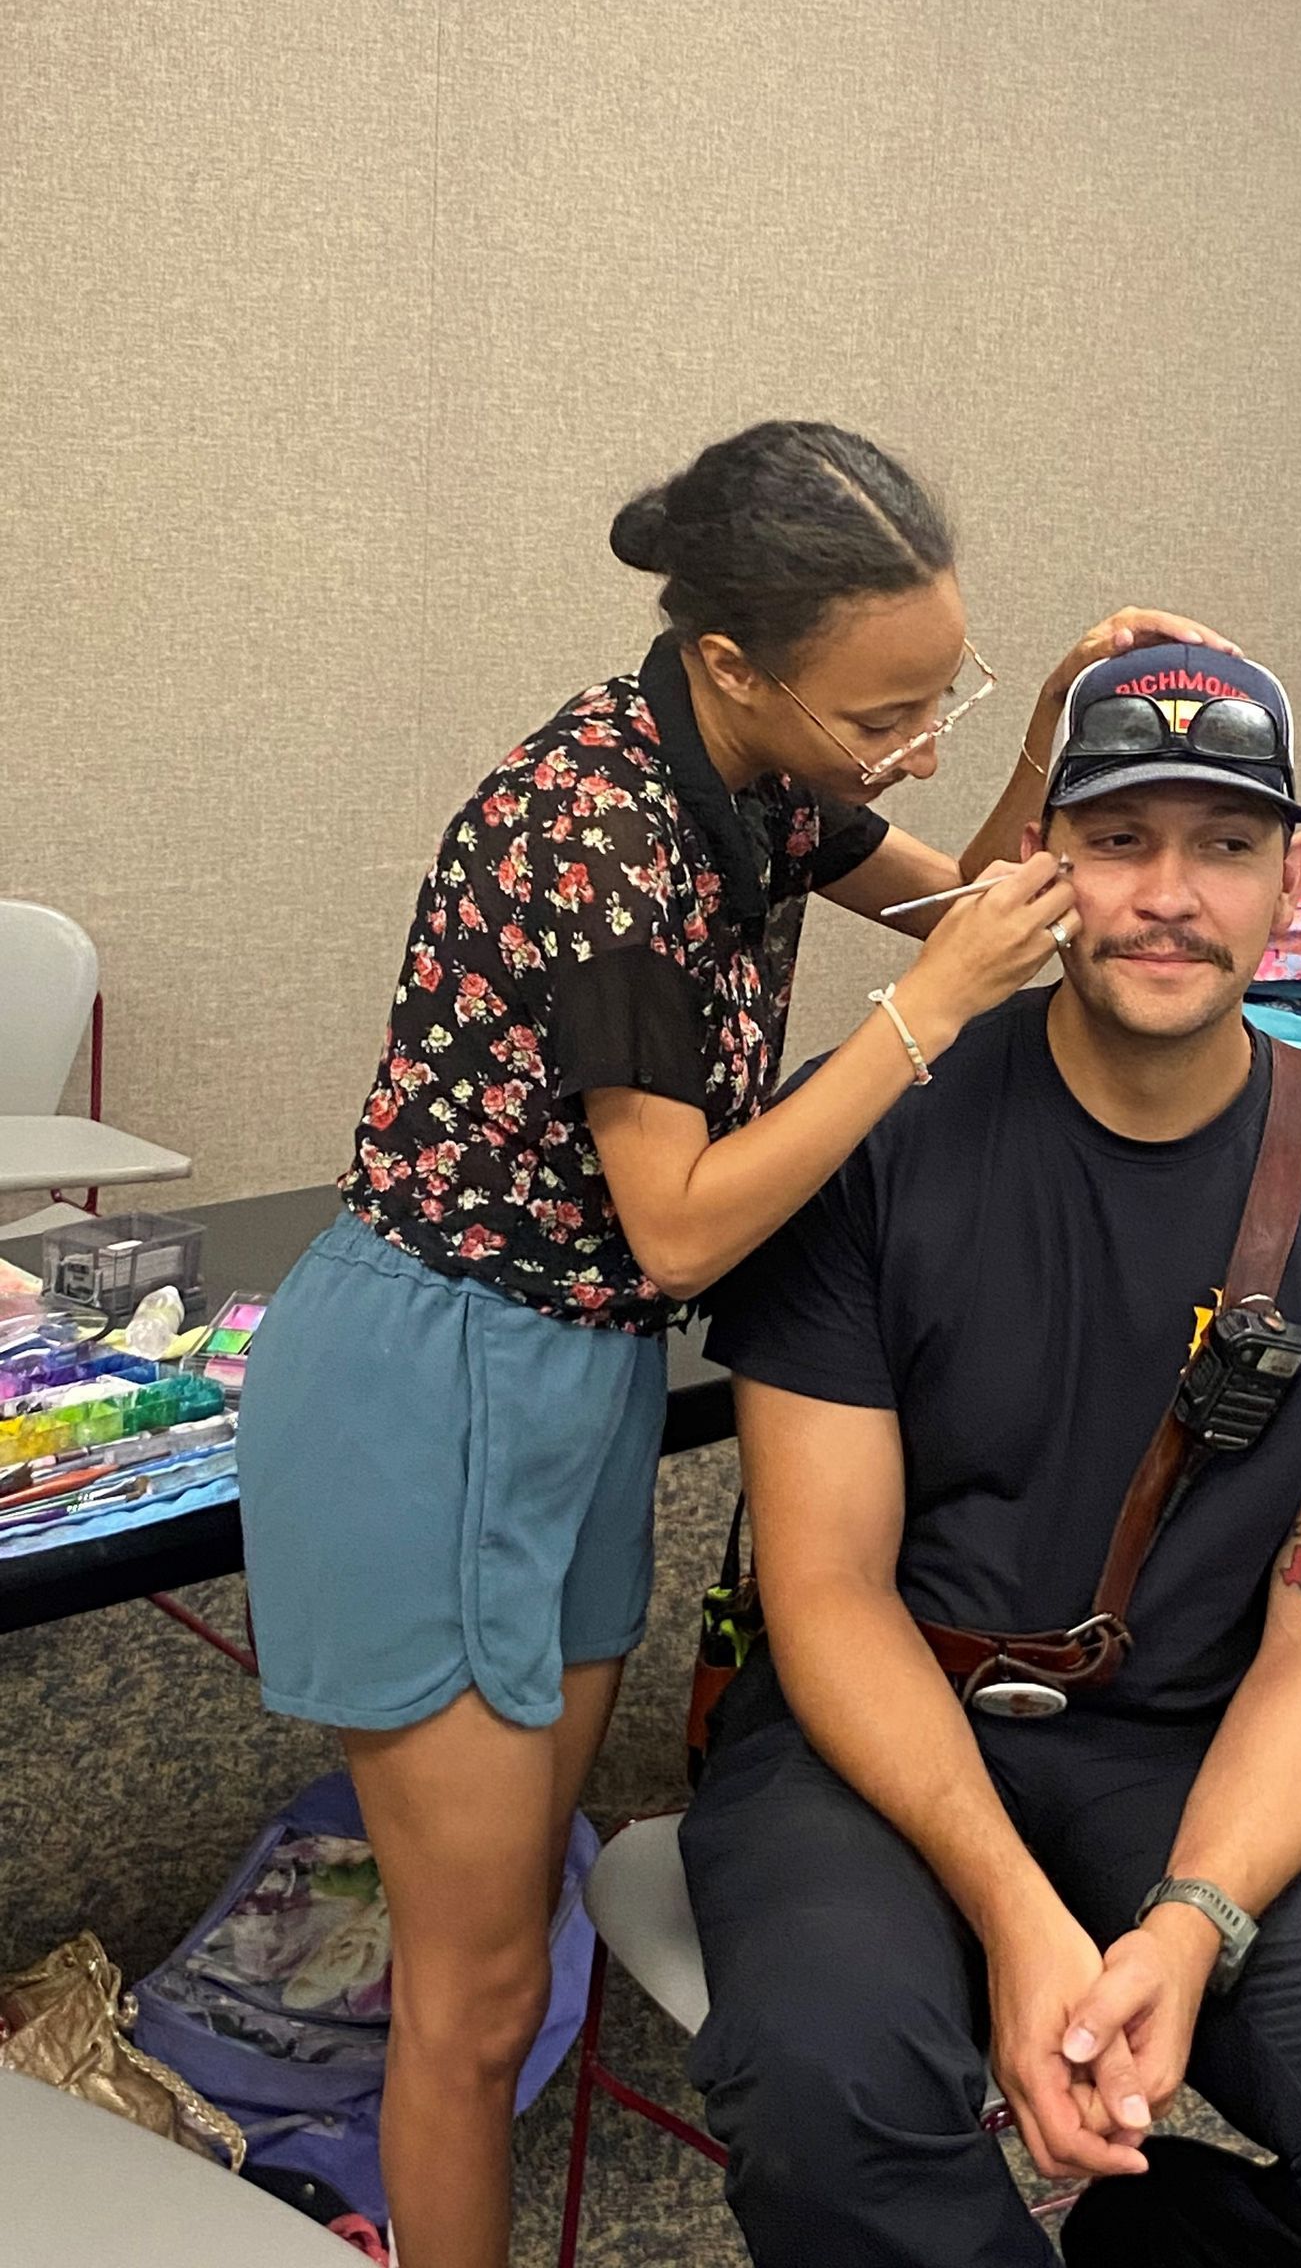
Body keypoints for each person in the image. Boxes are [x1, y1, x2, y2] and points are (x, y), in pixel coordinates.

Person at [235, 418, 1231, 2268]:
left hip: (584, 1374)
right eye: (883, 718)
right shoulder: (594, 835)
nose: (904, 747)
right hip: (434, 1381)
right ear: (734, 666)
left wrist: (1044, 747)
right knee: (461, 2002)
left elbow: (959, 906)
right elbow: (682, 1219)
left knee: (517, 1926)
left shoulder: (749, 775)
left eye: (943, 698)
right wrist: (921, 1023)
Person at [685, 638, 1301, 2268]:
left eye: (1226, 846)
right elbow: (821, 1587)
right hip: (870, 1722)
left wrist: (1191, 1923)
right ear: (1046, 863)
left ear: (1294, 877)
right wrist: (1021, 1919)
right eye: (1118, 841)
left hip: (1181, 1742)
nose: (1169, 894)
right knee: (827, 2098)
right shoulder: (872, 1133)